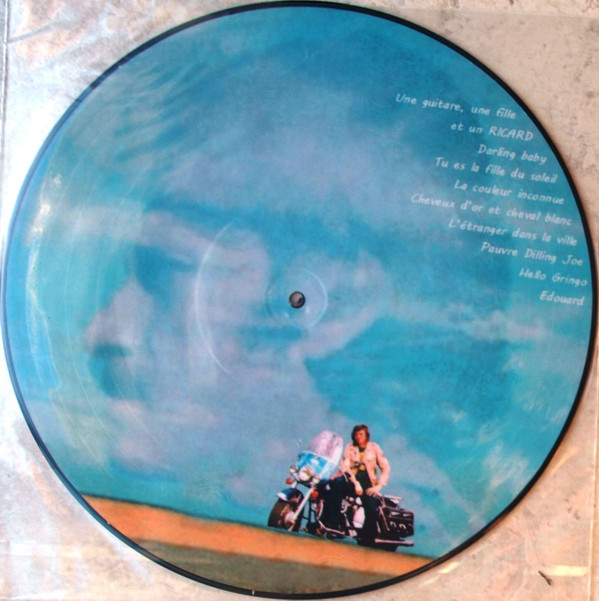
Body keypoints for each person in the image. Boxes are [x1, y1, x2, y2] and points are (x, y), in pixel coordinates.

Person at [320, 424, 390, 545]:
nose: (358, 437)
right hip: (351, 481)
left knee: (372, 508)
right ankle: (334, 525)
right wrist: (355, 483)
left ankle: (367, 536)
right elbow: (345, 466)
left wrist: (378, 486)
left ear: (366, 435)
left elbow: (385, 468)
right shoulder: (350, 447)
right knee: (335, 485)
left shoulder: (374, 448)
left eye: (361, 434)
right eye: (356, 434)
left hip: (369, 484)